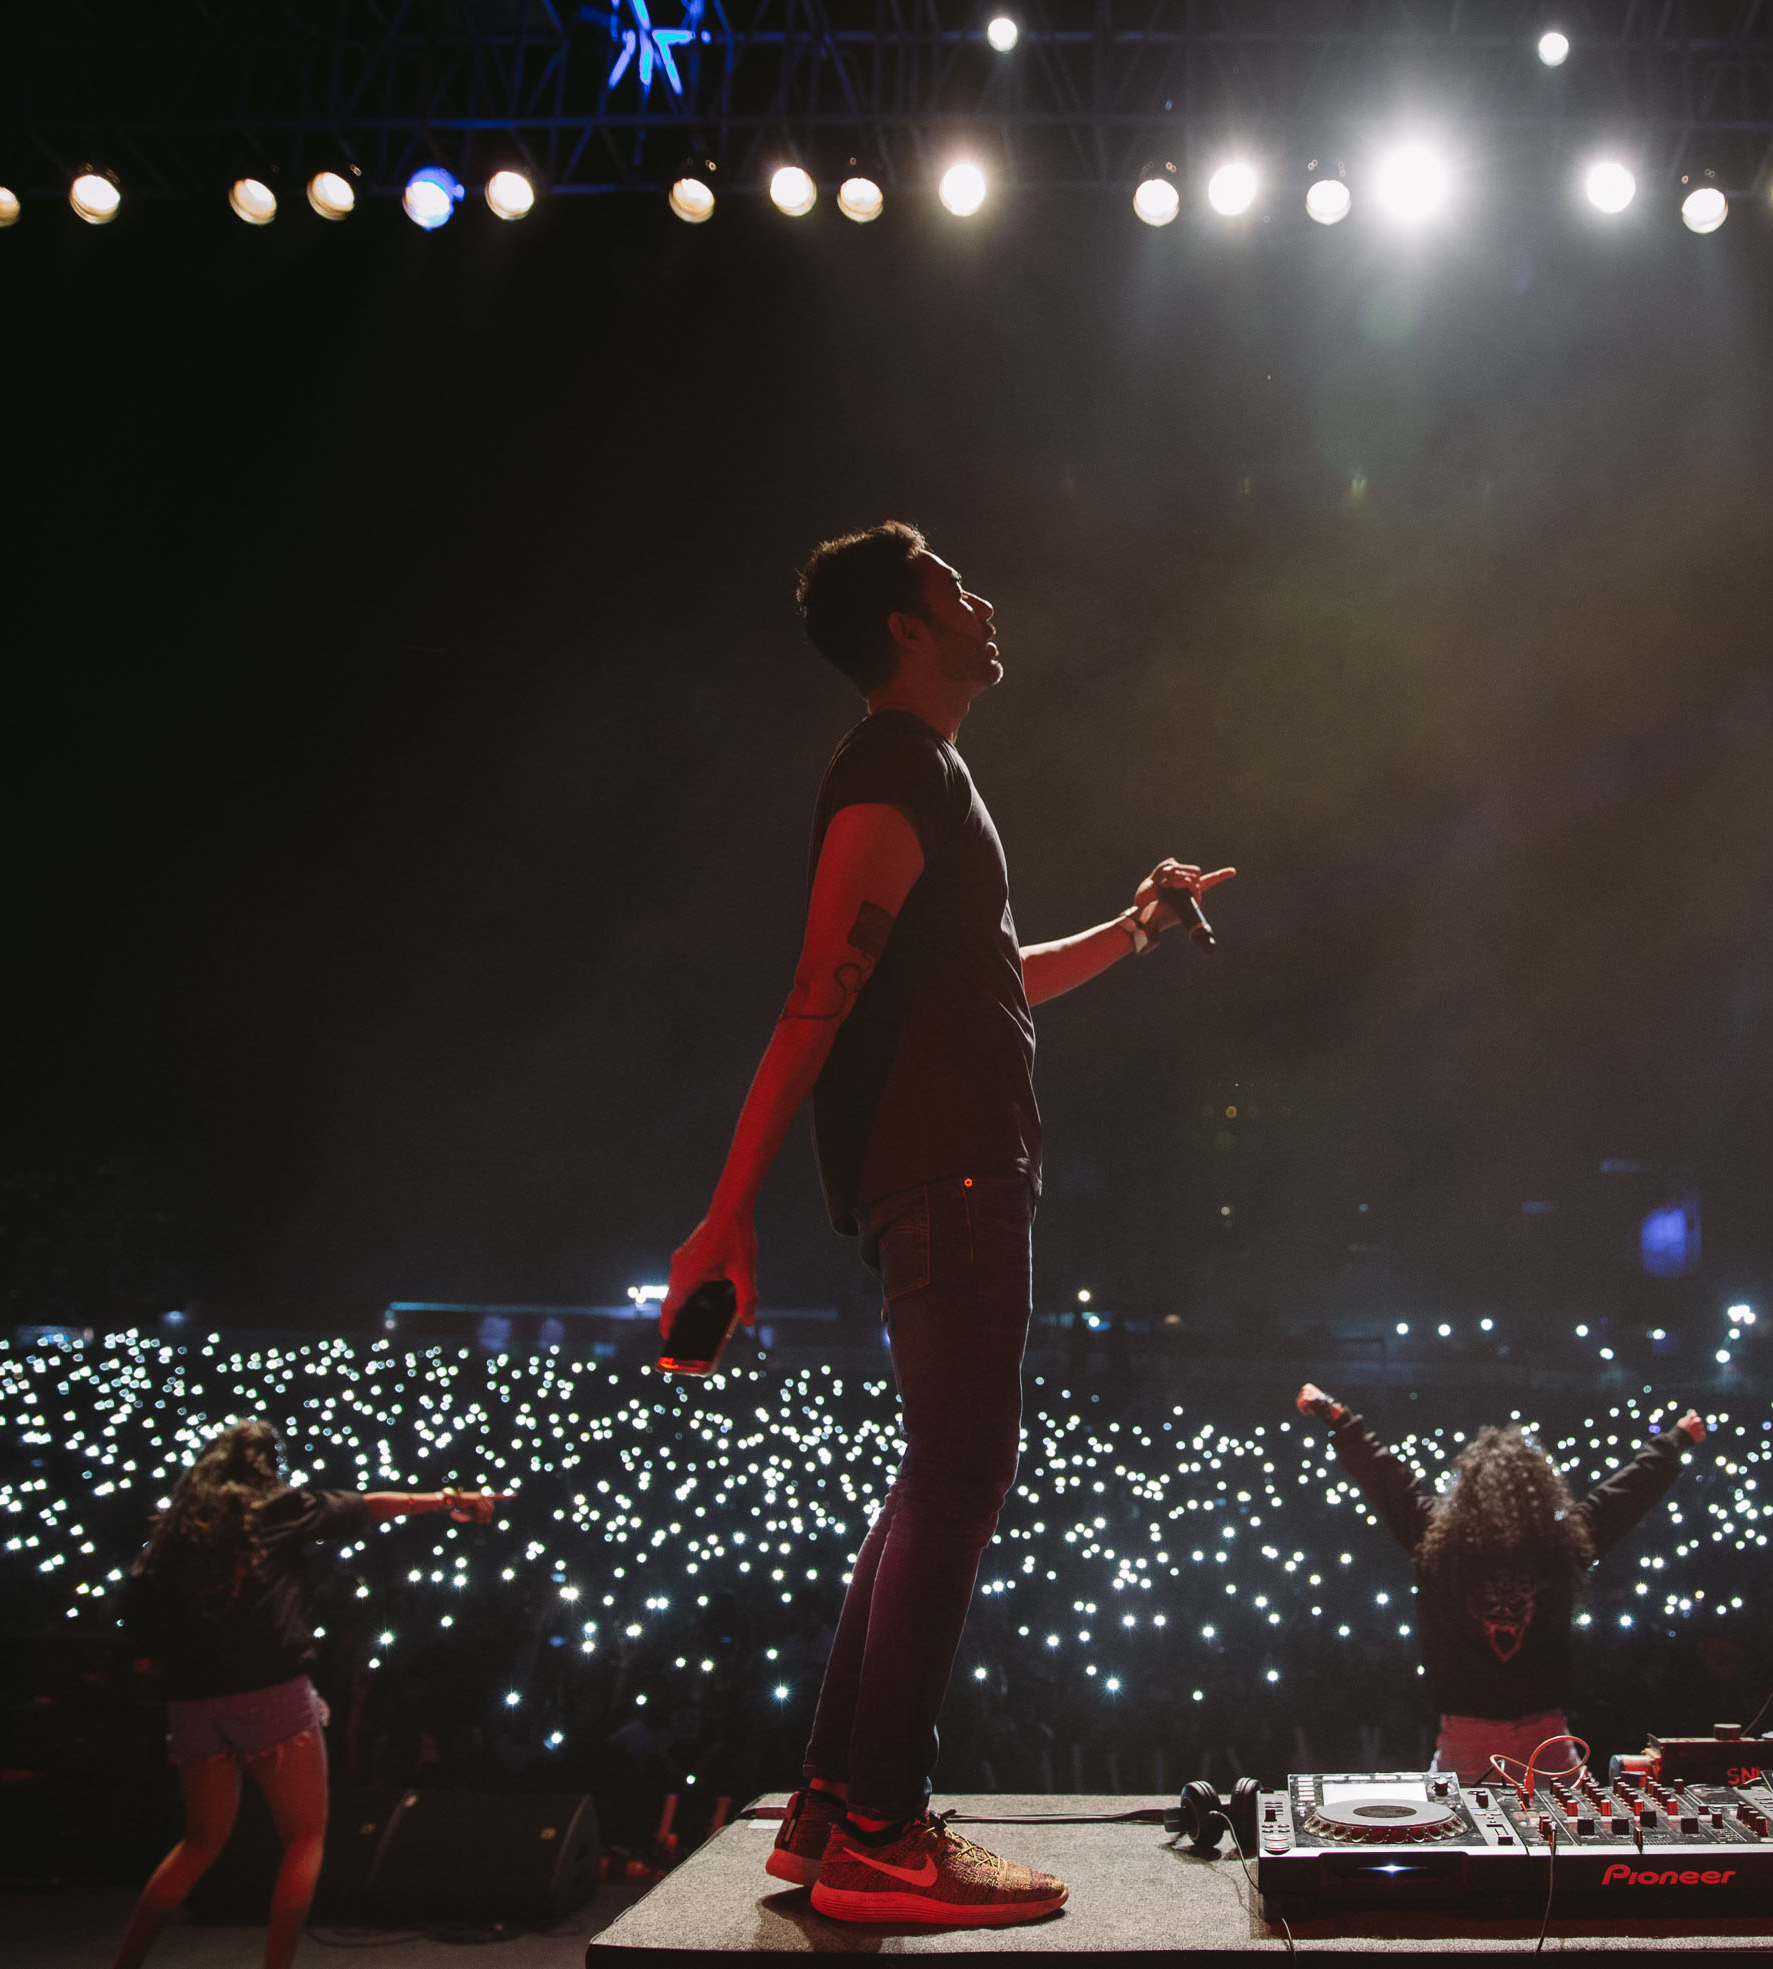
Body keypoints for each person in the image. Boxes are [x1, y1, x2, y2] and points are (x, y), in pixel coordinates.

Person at [660, 521, 1231, 1927]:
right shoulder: (891, 771)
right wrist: (724, 1216)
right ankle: (881, 1831)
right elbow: (818, 989)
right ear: (909, 631)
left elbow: (989, 982)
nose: (984, 601)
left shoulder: (926, 777)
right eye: (954, 588)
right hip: (953, 1176)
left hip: (957, 1171)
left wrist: (1135, 929)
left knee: (938, 1474)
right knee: (964, 1475)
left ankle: (827, 1806)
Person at [108, 1419, 503, 1969]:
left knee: (199, 1843)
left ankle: (124, 1963)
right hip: (271, 1691)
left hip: (195, 1702)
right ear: (268, 1465)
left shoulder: (179, 1531)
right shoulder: (276, 1508)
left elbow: (135, 1605)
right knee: (303, 1837)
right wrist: (446, 1500)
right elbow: (366, 1506)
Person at [1294, 1382, 1707, 1782]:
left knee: (1460, 1849)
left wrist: (1337, 1416)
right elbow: (1622, 1496)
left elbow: (1386, 1479)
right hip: (1545, 1739)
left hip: (1465, 1739)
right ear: (1539, 1490)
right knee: (1567, 1849)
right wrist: (1675, 1441)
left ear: (1469, 1486)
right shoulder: (1560, 1543)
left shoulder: (1437, 1538)